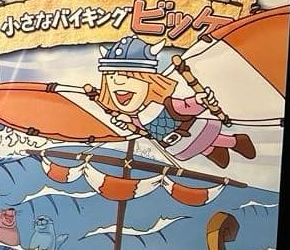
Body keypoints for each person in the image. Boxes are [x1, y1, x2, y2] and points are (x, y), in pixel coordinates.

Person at [92, 35, 255, 169]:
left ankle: (235, 142)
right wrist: (128, 120)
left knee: (205, 140)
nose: (117, 82)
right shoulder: (138, 116)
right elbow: (143, 129)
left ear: (152, 82)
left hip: (191, 130)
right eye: (111, 77)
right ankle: (213, 151)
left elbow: (185, 107)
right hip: (174, 143)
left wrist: (199, 101)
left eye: (127, 76)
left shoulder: (164, 104)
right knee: (200, 147)